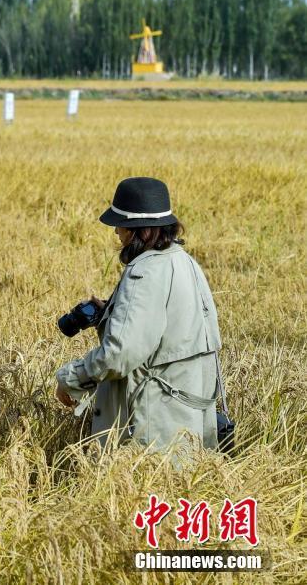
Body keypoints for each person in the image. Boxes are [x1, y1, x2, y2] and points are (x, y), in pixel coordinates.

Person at [55, 177, 221, 450]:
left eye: (120, 225)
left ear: (138, 231)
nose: (116, 232)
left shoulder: (144, 273)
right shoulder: (184, 261)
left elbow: (119, 354)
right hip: (186, 426)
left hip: (151, 434)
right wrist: (111, 312)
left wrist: (71, 380)